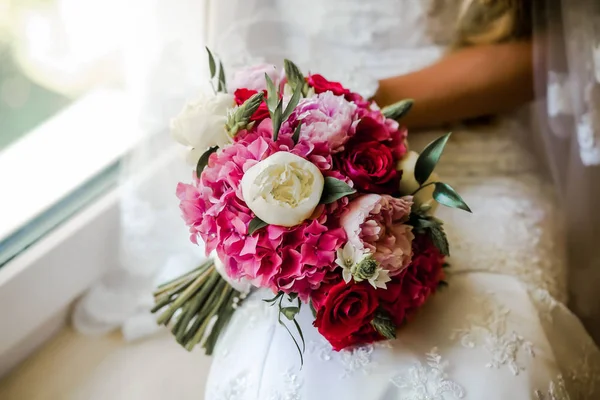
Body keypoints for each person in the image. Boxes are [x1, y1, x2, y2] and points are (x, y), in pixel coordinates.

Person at [199, 0, 600, 399]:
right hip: (303, 162)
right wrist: (285, 139)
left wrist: (346, 109)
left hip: (482, 161)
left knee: (498, 366)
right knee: (286, 368)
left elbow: (557, 47)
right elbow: (234, 70)